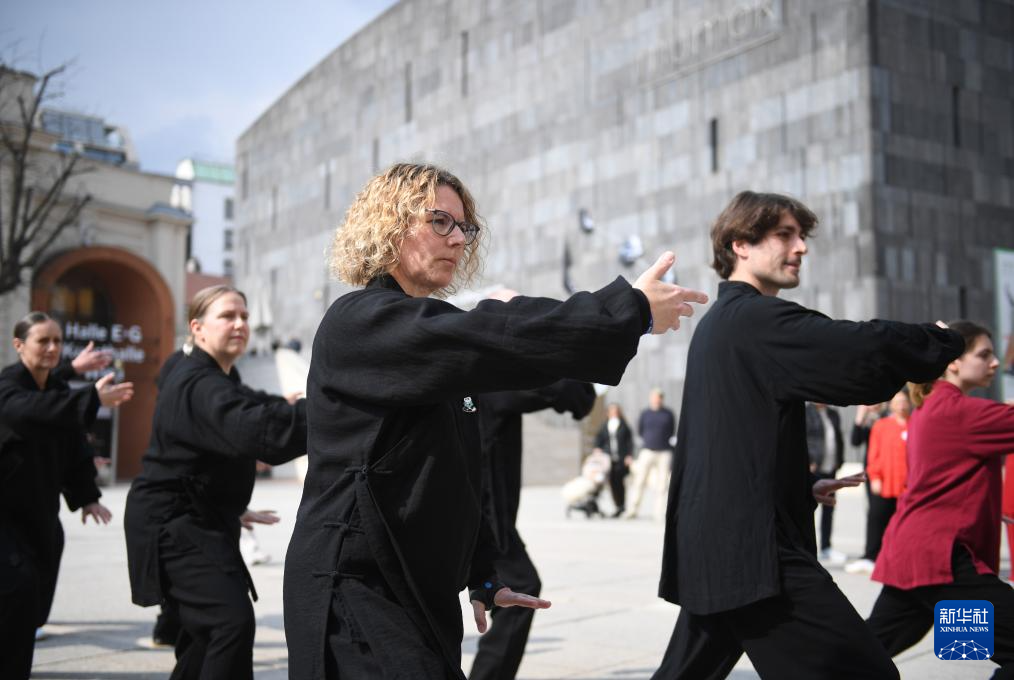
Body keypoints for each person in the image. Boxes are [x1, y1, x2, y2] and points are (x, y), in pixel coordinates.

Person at [283, 162, 708, 679]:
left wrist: (482, 569)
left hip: (412, 584)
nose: (458, 239)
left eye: (465, 227)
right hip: (352, 585)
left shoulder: (429, 346)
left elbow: (456, 474)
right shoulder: (359, 320)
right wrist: (630, 309)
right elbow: (489, 335)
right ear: (389, 225)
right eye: (440, 221)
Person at [651, 190, 964, 680]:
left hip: (721, 545)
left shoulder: (721, 326)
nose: (801, 247)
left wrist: (797, 486)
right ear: (741, 245)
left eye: (801, 236)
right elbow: (854, 349)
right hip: (754, 554)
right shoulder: (753, 320)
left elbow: (730, 444)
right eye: (785, 235)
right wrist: (940, 340)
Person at [124, 285, 308, 680]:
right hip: (173, 524)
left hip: (196, 519)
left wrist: (231, 503)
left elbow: (246, 401)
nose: (240, 324)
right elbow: (252, 428)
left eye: (244, 316)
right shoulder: (197, 382)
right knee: (228, 623)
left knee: (206, 635)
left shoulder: (216, 374)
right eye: (227, 316)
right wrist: (326, 411)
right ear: (197, 327)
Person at [868, 321, 1014, 677]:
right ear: (953, 362)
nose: (994, 362)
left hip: (918, 559)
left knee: (861, 658)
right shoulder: (957, 412)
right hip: (942, 560)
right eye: (984, 354)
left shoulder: (930, 409)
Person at [0, 312, 133, 680]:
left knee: (31, 599)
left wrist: (87, 495)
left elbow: (74, 446)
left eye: (57, 340)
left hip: (39, 512)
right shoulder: (8, 386)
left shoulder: (55, 390)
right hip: (4, 515)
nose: (52, 347)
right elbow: (29, 412)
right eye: (43, 340)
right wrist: (90, 396)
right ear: (18, 345)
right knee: (19, 589)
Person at [469, 379, 596, 680]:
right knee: (520, 585)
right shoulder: (491, 374)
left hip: (475, 511)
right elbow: (566, 390)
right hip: (484, 515)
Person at [845, 390, 910, 574]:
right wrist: (874, 477)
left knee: (904, 522)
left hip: (906, 483)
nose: (901, 405)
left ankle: (899, 557)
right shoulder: (879, 424)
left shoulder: (914, 424)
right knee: (877, 517)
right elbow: (866, 449)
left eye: (904, 401)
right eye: (897, 401)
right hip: (883, 480)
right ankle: (871, 556)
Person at [623, 388, 676, 519]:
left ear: (662, 399)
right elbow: (640, 430)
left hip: (664, 452)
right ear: (651, 398)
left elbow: (672, 430)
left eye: (659, 397)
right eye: (655, 397)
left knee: (662, 484)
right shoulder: (645, 413)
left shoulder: (668, 414)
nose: (657, 399)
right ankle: (632, 510)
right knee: (639, 481)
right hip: (647, 450)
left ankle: (659, 512)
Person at [804, 402, 845, 563]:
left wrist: (839, 461)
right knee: (809, 508)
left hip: (830, 467)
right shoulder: (806, 412)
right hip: (814, 468)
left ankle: (826, 547)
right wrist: (808, 461)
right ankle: (807, 546)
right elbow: (802, 438)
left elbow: (839, 438)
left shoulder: (833, 414)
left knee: (829, 508)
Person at [593, 402, 635, 517]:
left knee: (620, 483)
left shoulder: (624, 426)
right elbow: (598, 439)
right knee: (612, 484)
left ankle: (622, 505)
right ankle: (617, 506)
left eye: (616, 411)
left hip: (621, 459)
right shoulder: (604, 426)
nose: (614, 413)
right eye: (612, 411)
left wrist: (629, 455)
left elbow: (629, 442)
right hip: (608, 459)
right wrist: (597, 448)